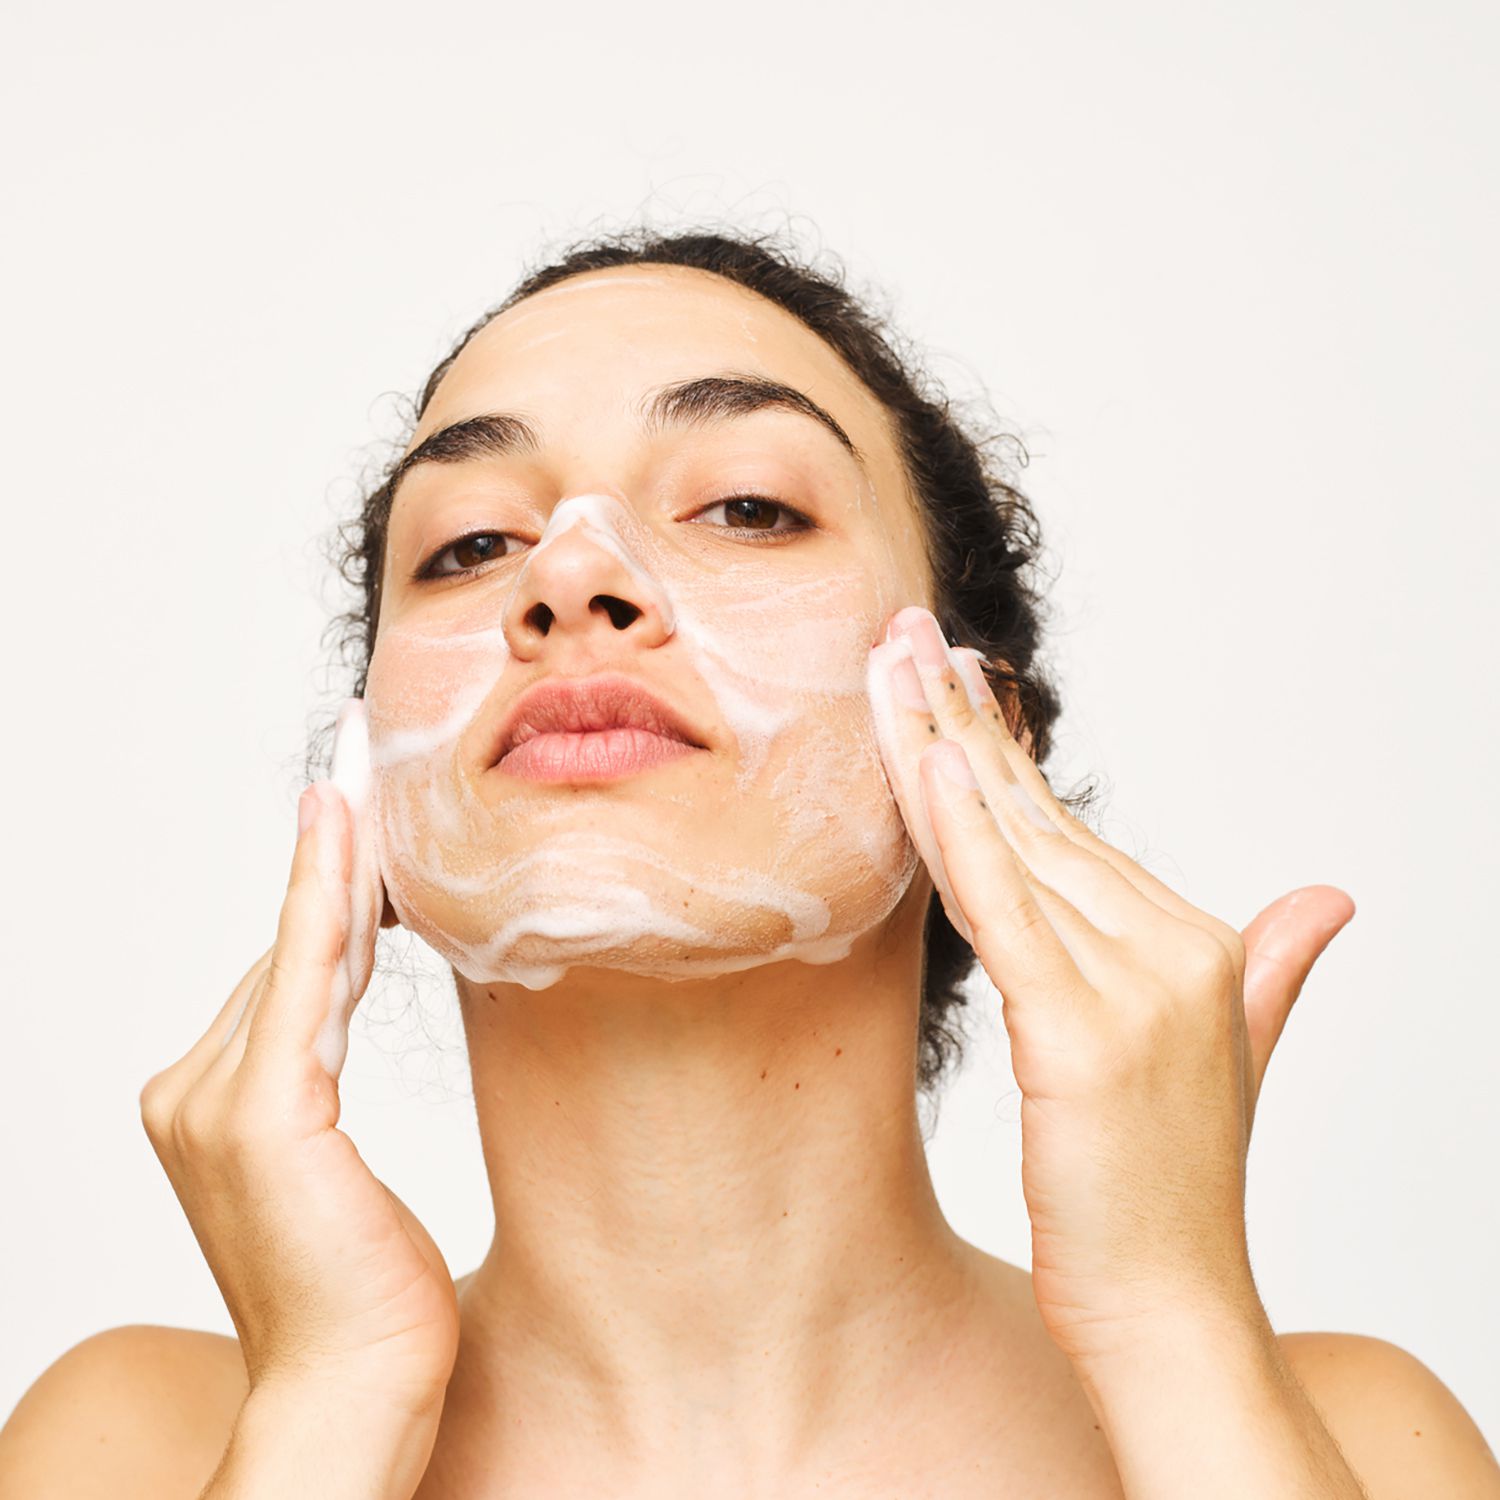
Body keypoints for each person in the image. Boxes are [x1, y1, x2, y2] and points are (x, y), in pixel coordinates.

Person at [2, 229, 1495, 1499]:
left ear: (977, 735)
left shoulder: (1350, 1440)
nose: (568, 576)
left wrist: (1174, 1326)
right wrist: (331, 1404)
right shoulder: (140, 1449)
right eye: (466, 545)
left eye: (747, 507)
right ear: (368, 766)